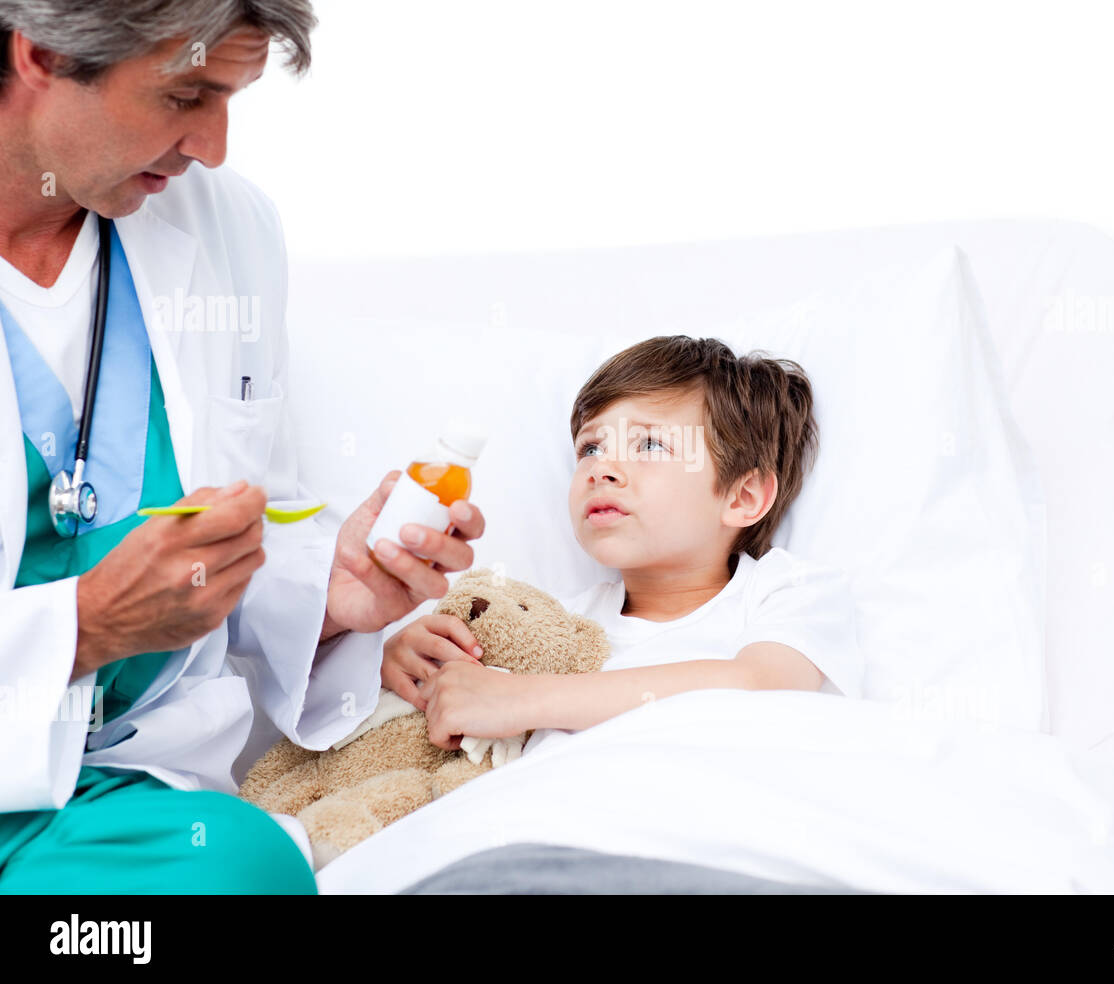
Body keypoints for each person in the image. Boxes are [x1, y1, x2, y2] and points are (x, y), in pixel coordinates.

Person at [0, 1, 484, 893]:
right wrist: (82, 627)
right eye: (186, 94)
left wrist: (327, 594)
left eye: (230, 99)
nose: (212, 147)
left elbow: (253, 513)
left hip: (115, 793)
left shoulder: (228, 230)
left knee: (241, 868)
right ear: (43, 53)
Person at [381, 336, 862, 758]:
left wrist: (522, 699)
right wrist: (403, 666)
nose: (601, 469)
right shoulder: (555, 624)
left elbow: (759, 685)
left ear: (742, 497)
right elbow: (465, 704)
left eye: (649, 445)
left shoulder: (788, 593)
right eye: (590, 448)